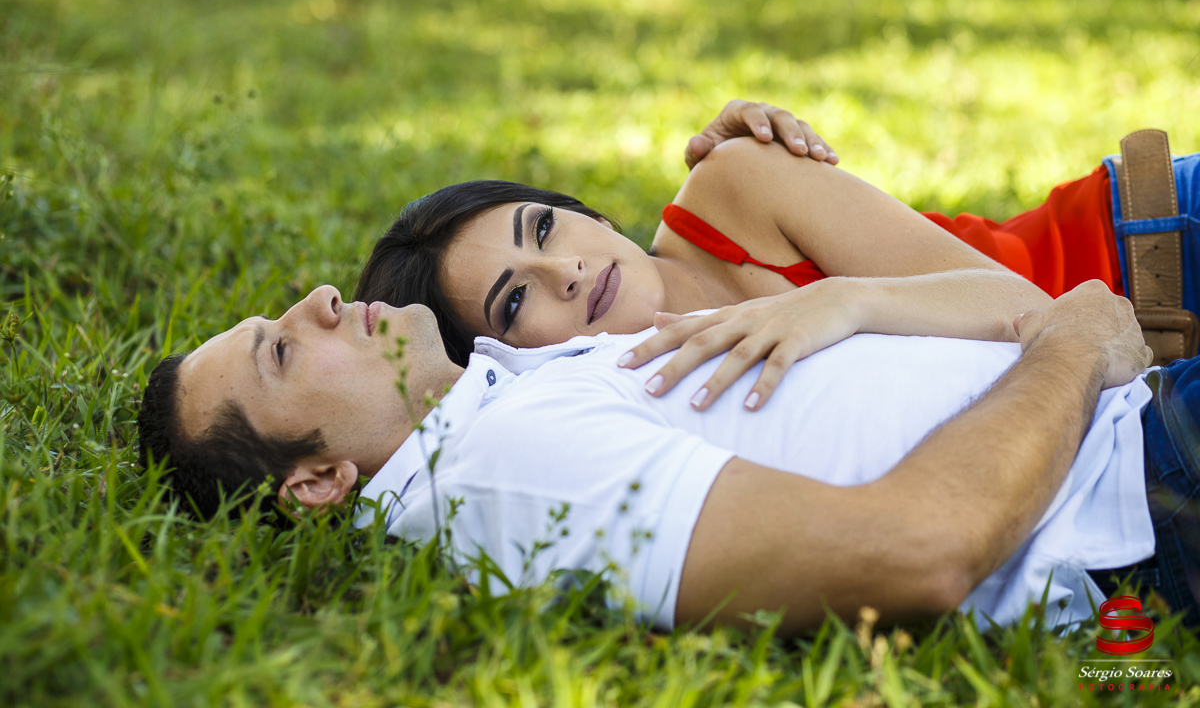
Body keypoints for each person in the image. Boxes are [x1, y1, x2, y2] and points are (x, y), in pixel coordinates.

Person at [138, 279, 1200, 635]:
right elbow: (917, 549)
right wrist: (1069, 352)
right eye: (284, 348)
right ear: (319, 482)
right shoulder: (508, 466)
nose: (318, 301)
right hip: (1143, 480)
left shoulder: (505, 403)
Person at [354, 104, 1198, 412]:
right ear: (505, 357)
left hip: (1150, 250)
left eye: (543, 230)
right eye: (513, 301)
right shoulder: (625, 400)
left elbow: (1038, 311)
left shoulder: (734, 189)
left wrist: (841, 303)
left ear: (589, 216)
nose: (564, 270)